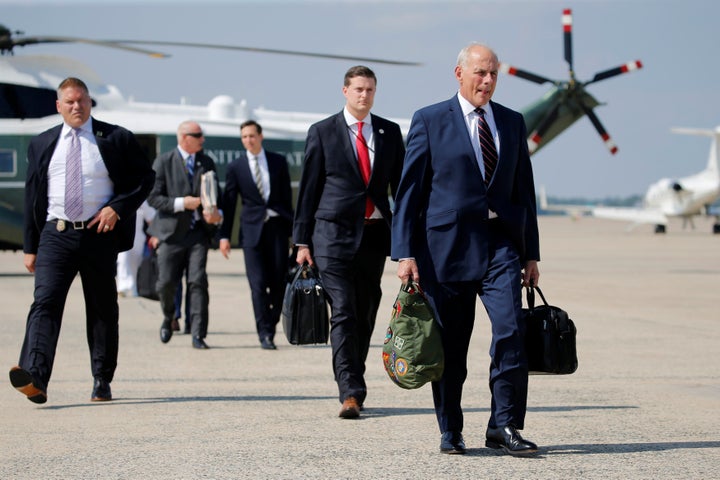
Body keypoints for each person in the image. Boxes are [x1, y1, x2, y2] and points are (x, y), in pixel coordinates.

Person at [391, 43, 541, 455]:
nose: (488, 81)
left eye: (493, 74)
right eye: (480, 73)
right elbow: (409, 194)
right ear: (459, 73)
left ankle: (504, 424)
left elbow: (523, 191)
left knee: (511, 332)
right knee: (452, 346)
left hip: (500, 245)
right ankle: (450, 429)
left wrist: (531, 253)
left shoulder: (512, 122)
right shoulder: (430, 120)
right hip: (445, 251)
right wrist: (405, 253)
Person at [8, 77, 155, 404]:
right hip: (55, 234)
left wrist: (116, 208)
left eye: (82, 101)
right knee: (44, 303)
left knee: (103, 309)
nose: (77, 106)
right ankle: (35, 376)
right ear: (58, 106)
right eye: (70, 102)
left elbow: (145, 179)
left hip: (98, 236)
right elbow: (34, 195)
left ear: (90, 103)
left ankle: (102, 379)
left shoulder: (116, 138)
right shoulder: (42, 143)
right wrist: (30, 246)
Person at [293, 65, 405, 419]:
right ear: (345, 91)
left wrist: (408, 238)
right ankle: (351, 392)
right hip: (332, 235)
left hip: (373, 235)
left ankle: (353, 373)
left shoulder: (389, 132)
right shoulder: (323, 131)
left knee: (367, 309)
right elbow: (308, 188)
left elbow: (400, 189)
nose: (364, 96)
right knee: (342, 310)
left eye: (370, 90)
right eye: (358, 89)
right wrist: (301, 241)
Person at [147, 121, 223, 349]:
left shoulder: (206, 161)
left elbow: (213, 193)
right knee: (166, 283)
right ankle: (169, 316)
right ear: (183, 137)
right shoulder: (163, 161)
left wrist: (214, 212)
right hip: (170, 234)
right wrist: (182, 203)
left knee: (197, 281)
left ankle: (198, 334)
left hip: (197, 233)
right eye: (197, 135)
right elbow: (153, 197)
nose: (202, 139)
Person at [219, 120, 293, 350]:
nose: (248, 140)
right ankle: (265, 333)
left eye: (252, 136)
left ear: (260, 136)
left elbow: (287, 200)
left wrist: (296, 235)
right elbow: (229, 204)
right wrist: (223, 236)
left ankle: (271, 322)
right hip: (251, 232)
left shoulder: (278, 162)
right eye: (244, 137)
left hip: (278, 229)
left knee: (279, 283)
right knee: (258, 285)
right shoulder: (236, 167)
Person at [116, 200, 156, 297]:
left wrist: (155, 234)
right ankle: (122, 286)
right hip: (122, 236)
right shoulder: (120, 199)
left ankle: (133, 289)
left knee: (134, 265)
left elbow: (151, 218)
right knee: (123, 260)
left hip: (138, 238)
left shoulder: (142, 201)